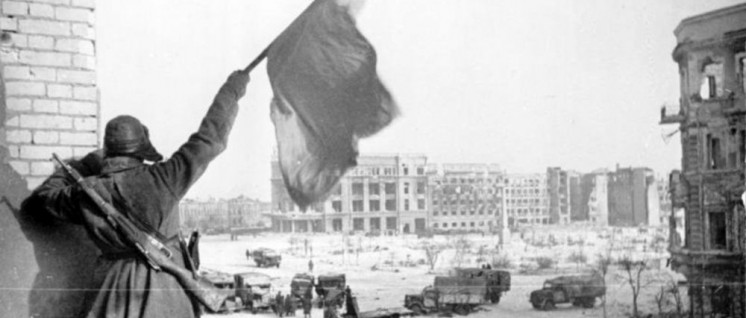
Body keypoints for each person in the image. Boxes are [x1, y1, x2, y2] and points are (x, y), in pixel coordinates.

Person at [27, 69, 251, 318]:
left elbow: (45, 197)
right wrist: (231, 91)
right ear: (141, 149)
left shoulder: (85, 191)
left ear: (108, 150)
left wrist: (87, 164)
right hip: (165, 292)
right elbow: (209, 139)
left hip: (110, 291)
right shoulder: (165, 177)